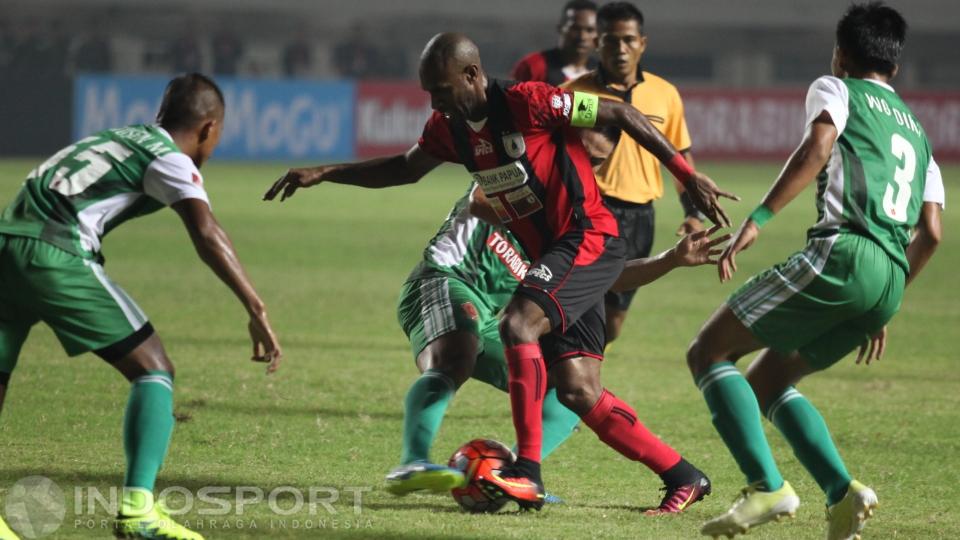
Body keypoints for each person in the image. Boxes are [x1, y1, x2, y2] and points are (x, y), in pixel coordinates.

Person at [265, 32, 736, 511]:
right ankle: (684, 475)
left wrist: (686, 174)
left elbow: (620, 112)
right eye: (429, 92)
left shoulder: (528, 102)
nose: (435, 102)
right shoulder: (450, 128)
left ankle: (526, 471)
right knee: (577, 390)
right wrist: (326, 172)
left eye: (441, 91)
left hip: (587, 235)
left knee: (517, 323)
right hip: (563, 257)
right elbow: (405, 168)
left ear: (472, 74)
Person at [684, 4, 943, 539]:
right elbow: (933, 232)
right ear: (893, 65)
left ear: (841, 53)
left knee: (709, 351)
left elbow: (818, 145)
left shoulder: (837, 88)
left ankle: (766, 487)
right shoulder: (920, 135)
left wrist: (758, 217)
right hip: (890, 279)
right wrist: (882, 299)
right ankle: (842, 492)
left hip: (844, 253)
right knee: (770, 379)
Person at [0, 73, 282, 540]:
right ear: (209, 128)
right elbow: (207, 232)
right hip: (55, 253)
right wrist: (256, 307)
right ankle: (138, 511)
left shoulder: (116, 137)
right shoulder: (169, 157)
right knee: (154, 369)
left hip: (7, 241)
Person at [384, 184, 729, 515]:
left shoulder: (568, 229)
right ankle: (413, 460)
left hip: (490, 319)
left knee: (565, 389)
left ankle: (519, 475)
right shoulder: (520, 180)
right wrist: (546, 229)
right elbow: (478, 198)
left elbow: (609, 276)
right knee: (455, 357)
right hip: (444, 281)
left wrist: (670, 259)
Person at [563, 2, 706, 344]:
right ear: (598, 43)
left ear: (643, 42)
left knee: (612, 325)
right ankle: (564, 378)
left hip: (641, 218)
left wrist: (693, 213)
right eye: (611, 41)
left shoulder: (664, 94)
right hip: (592, 211)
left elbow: (680, 158)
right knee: (583, 310)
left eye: (628, 40)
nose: (620, 49)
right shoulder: (576, 94)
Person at [512, 0, 599, 86]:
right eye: (575, 29)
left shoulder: (601, 74)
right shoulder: (533, 66)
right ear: (560, 28)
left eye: (590, 30)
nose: (582, 37)